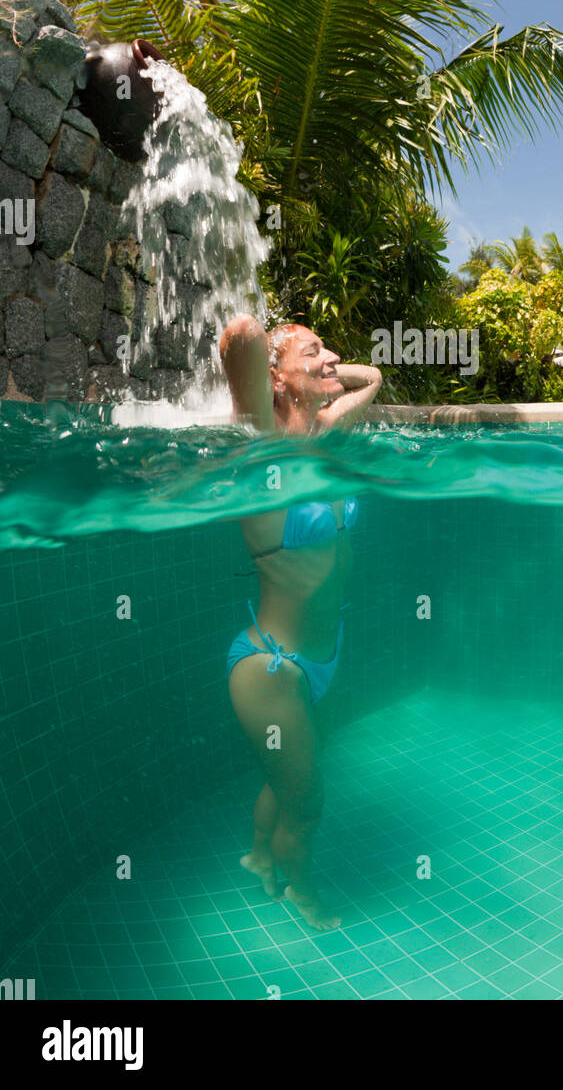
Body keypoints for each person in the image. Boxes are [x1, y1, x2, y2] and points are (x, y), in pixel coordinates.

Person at [220, 316, 382, 930]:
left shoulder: (325, 433)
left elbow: (375, 376)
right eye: (316, 352)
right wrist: (268, 348)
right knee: (308, 802)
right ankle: (302, 891)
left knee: (285, 777)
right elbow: (240, 340)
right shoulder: (263, 442)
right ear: (278, 378)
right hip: (272, 669)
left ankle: (260, 856)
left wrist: (318, 365)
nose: (333, 358)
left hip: (320, 657)